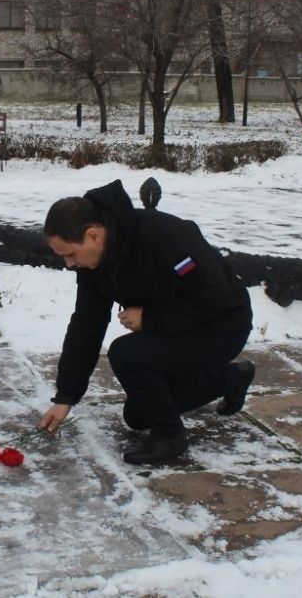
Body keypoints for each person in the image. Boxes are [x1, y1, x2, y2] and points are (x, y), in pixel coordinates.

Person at [38, 178, 254, 465]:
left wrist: (151, 318)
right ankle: (231, 378)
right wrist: (66, 396)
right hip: (181, 326)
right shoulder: (95, 264)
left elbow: (215, 296)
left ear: (93, 236)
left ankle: (170, 437)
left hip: (223, 324)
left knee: (126, 353)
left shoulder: (163, 236)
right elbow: (86, 325)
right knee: (138, 415)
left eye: (70, 255)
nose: (69, 264)